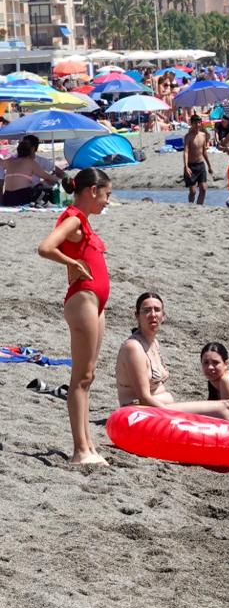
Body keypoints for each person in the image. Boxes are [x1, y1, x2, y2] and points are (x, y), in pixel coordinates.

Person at [36, 168, 112, 465]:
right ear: (92, 191)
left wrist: (72, 261)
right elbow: (45, 247)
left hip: (95, 302)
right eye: (106, 195)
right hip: (83, 300)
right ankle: (80, 450)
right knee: (80, 378)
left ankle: (88, 446)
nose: (107, 201)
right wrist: (72, 263)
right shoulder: (73, 218)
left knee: (88, 377)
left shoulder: (83, 221)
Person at [115, 293, 229, 426]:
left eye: (157, 310)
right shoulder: (133, 348)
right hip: (139, 412)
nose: (153, 314)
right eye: (146, 310)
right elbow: (144, 397)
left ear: (163, 316)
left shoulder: (153, 343)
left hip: (160, 408)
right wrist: (178, 416)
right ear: (137, 316)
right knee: (225, 408)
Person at [1, 136, 63, 206]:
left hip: (7, 197)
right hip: (22, 197)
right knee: (45, 191)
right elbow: (48, 177)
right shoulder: (31, 163)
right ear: (31, 150)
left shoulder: (9, 161)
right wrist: (61, 180)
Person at [183, 114, 213, 205]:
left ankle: (199, 207)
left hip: (200, 165)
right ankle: (191, 206)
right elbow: (186, 152)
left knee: (203, 189)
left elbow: (204, 152)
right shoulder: (188, 136)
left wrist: (209, 166)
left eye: (199, 123)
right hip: (191, 166)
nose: (197, 125)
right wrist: (186, 166)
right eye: (195, 123)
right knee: (193, 191)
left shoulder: (203, 135)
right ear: (191, 124)